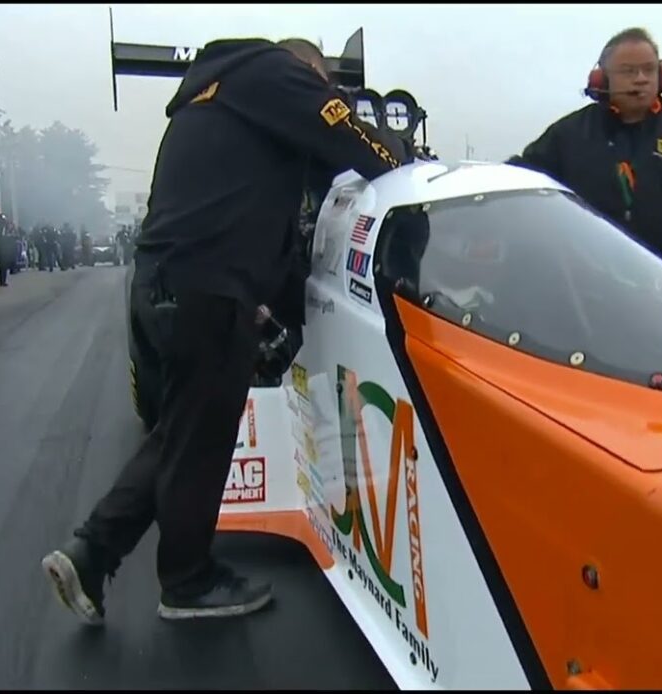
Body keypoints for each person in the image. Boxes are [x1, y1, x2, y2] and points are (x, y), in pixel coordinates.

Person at [41, 35, 409, 625]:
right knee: (203, 439)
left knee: (182, 432)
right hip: (208, 289)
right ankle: (186, 580)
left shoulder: (213, 100)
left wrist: (292, 306)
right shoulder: (275, 73)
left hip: (164, 283)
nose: (326, 92)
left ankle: (92, 551)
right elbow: (350, 137)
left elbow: (271, 226)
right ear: (308, 71)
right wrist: (406, 168)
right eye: (323, 83)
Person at [507, 27, 662, 289]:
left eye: (648, 70)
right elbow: (521, 178)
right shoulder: (569, 133)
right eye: (628, 71)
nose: (640, 79)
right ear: (602, 79)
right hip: (577, 283)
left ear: (661, 76)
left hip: (654, 282)